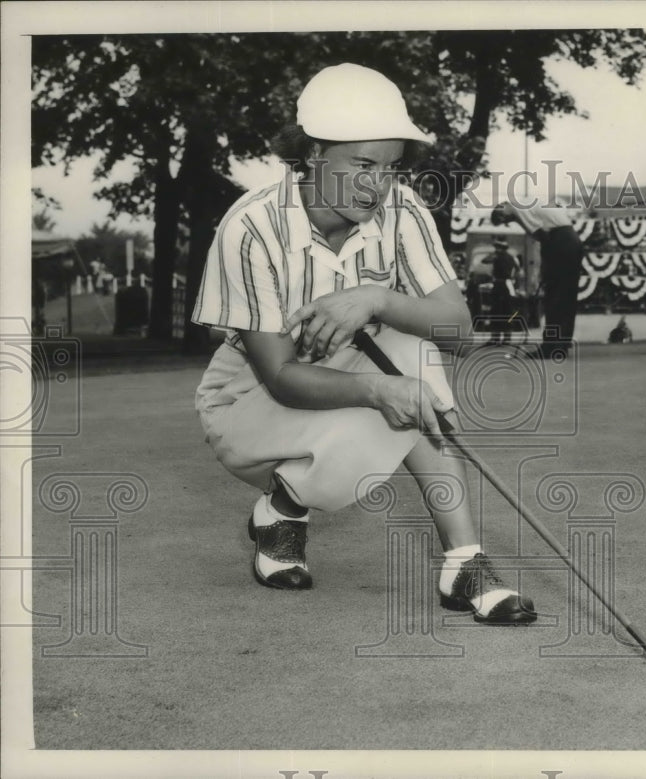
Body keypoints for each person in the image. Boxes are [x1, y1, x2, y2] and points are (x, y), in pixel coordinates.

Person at [191, 64, 536, 625]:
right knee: (389, 392)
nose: (378, 185)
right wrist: (379, 388)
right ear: (312, 153)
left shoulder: (401, 211)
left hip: (348, 371)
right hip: (247, 402)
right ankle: (281, 507)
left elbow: (458, 329)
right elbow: (280, 376)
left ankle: (464, 562)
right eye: (362, 165)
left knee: (411, 344)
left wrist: (378, 298)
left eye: (391, 167)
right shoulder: (250, 226)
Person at [491, 198, 583, 359]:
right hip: (571, 240)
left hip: (560, 241)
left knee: (554, 296)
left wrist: (545, 266)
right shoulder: (528, 204)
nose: (507, 221)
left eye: (502, 218)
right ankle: (561, 344)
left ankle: (551, 347)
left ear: (503, 207)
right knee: (567, 295)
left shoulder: (517, 207)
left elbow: (540, 235)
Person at [486, 237, 519, 345]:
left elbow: (485, 260)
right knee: (507, 312)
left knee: (496, 312)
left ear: (500, 248)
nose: (496, 249)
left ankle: (495, 337)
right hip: (509, 286)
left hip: (499, 285)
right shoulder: (512, 257)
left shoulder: (497, 257)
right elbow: (517, 268)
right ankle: (507, 337)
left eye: (497, 247)